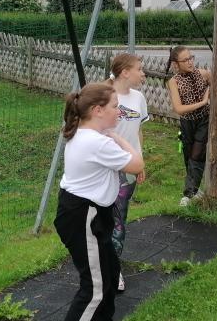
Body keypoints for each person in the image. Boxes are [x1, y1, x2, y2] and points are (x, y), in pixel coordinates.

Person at [54, 83, 144, 321]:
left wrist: (110, 136)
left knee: (111, 276)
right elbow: (137, 165)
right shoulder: (97, 142)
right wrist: (119, 138)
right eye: (115, 107)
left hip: (90, 213)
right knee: (94, 290)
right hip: (83, 217)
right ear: (97, 110)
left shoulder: (87, 134)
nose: (119, 111)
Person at [106, 53, 149, 293]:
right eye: (139, 69)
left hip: (128, 168)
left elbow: (138, 132)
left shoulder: (139, 98)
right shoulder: (104, 94)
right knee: (108, 220)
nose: (143, 73)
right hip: (106, 169)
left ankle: (111, 267)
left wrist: (139, 163)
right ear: (125, 72)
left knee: (119, 218)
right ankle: (107, 269)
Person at [167, 46, 210, 207]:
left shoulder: (203, 73)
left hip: (204, 119)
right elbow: (178, 108)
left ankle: (189, 193)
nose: (190, 62)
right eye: (185, 60)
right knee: (188, 155)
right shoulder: (174, 82)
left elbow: (216, 85)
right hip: (187, 122)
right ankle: (195, 190)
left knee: (197, 154)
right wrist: (202, 102)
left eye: (191, 57)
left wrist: (208, 99)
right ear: (176, 64)